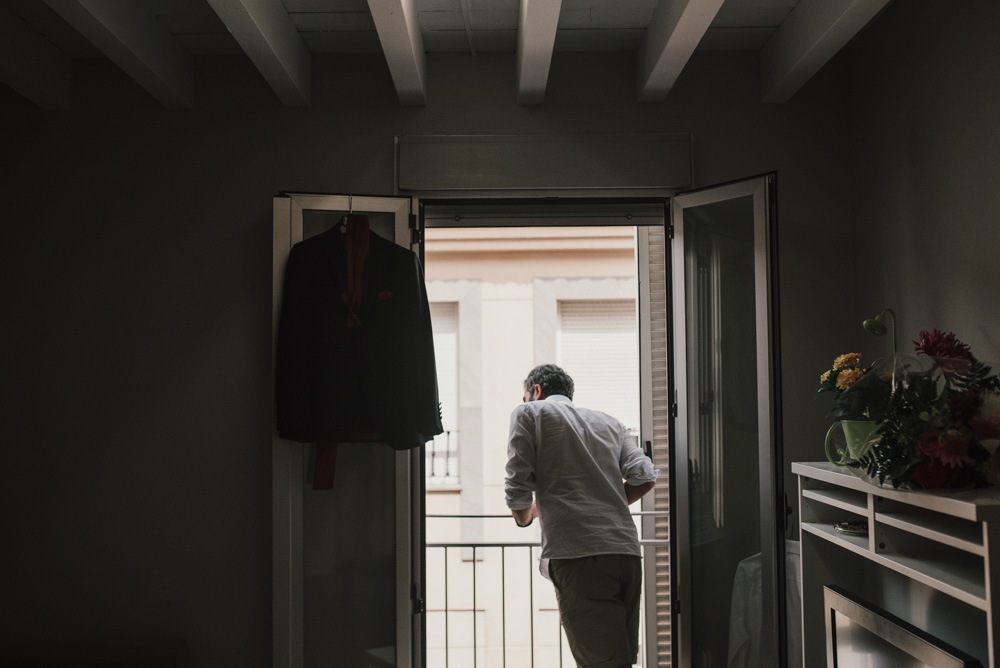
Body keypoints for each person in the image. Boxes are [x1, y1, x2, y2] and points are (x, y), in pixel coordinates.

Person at [505, 363, 659, 668]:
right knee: (622, 657)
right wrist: (609, 501)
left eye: (527, 396)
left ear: (536, 391)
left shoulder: (530, 413)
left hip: (580, 553)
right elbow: (645, 476)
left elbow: (517, 484)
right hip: (625, 552)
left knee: (600, 661)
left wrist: (524, 517)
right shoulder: (609, 423)